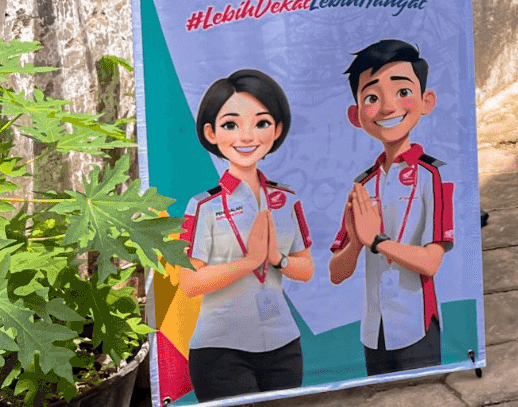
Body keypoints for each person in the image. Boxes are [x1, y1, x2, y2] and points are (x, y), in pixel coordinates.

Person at [179, 69, 313, 402]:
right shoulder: (202, 205)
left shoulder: (287, 198)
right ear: (211, 133)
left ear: (277, 129)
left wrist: (276, 259)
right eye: (230, 124)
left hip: (283, 345)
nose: (246, 136)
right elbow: (189, 283)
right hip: (221, 350)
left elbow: (306, 269)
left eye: (262, 123)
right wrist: (249, 261)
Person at [329, 39, 456, 376]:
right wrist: (356, 243)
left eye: (402, 92)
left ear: (425, 101)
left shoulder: (433, 175)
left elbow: (430, 263)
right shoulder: (363, 184)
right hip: (374, 330)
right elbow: (336, 273)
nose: (387, 108)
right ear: (356, 115)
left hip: (417, 325)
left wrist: (378, 241)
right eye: (372, 97)